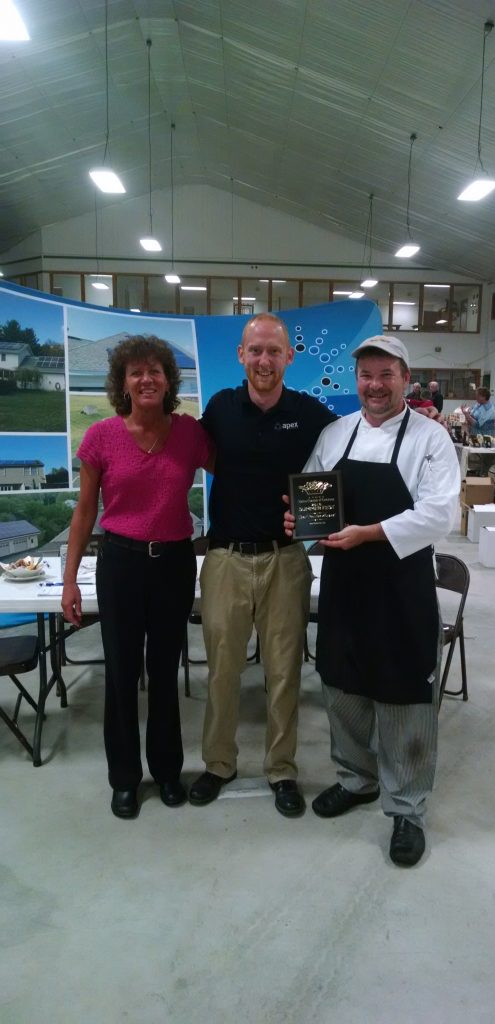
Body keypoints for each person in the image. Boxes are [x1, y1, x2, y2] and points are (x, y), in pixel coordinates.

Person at [284, 335, 460, 866]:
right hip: (344, 583)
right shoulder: (336, 433)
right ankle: (356, 778)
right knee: (343, 682)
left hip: (402, 586)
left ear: (407, 378)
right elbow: (314, 493)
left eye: (386, 374)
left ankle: (406, 808)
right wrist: (301, 520)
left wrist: (367, 532)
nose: (375, 386)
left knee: (405, 690)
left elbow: (438, 514)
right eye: (366, 375)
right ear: (355, 379)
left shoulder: (431, 439)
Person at [188, 313, 336, 817]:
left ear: (289, 356)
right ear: (240, 355)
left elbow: (335, 477)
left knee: (284, 673)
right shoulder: (220, 408)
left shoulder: (313, 415)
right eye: (255, 350)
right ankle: (219, 764)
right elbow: (206, 460)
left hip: (286, 561)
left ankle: (281, 769)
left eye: (274, 351)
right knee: (222, 671)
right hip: (226, 558)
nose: (264, 360)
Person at [61, 335, 213, 820]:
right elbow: (85, 513)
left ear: (169, 381)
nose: (146, 379)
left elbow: (237, 473)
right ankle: (124, 778)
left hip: (173, 563)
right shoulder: (101, 437)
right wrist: (69, 581)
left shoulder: (190, 434)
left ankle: (167, 771)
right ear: (122, 384)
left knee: (165, 672)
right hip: (121, 564)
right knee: (123, 674)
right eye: (135, 372)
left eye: (155, 371)